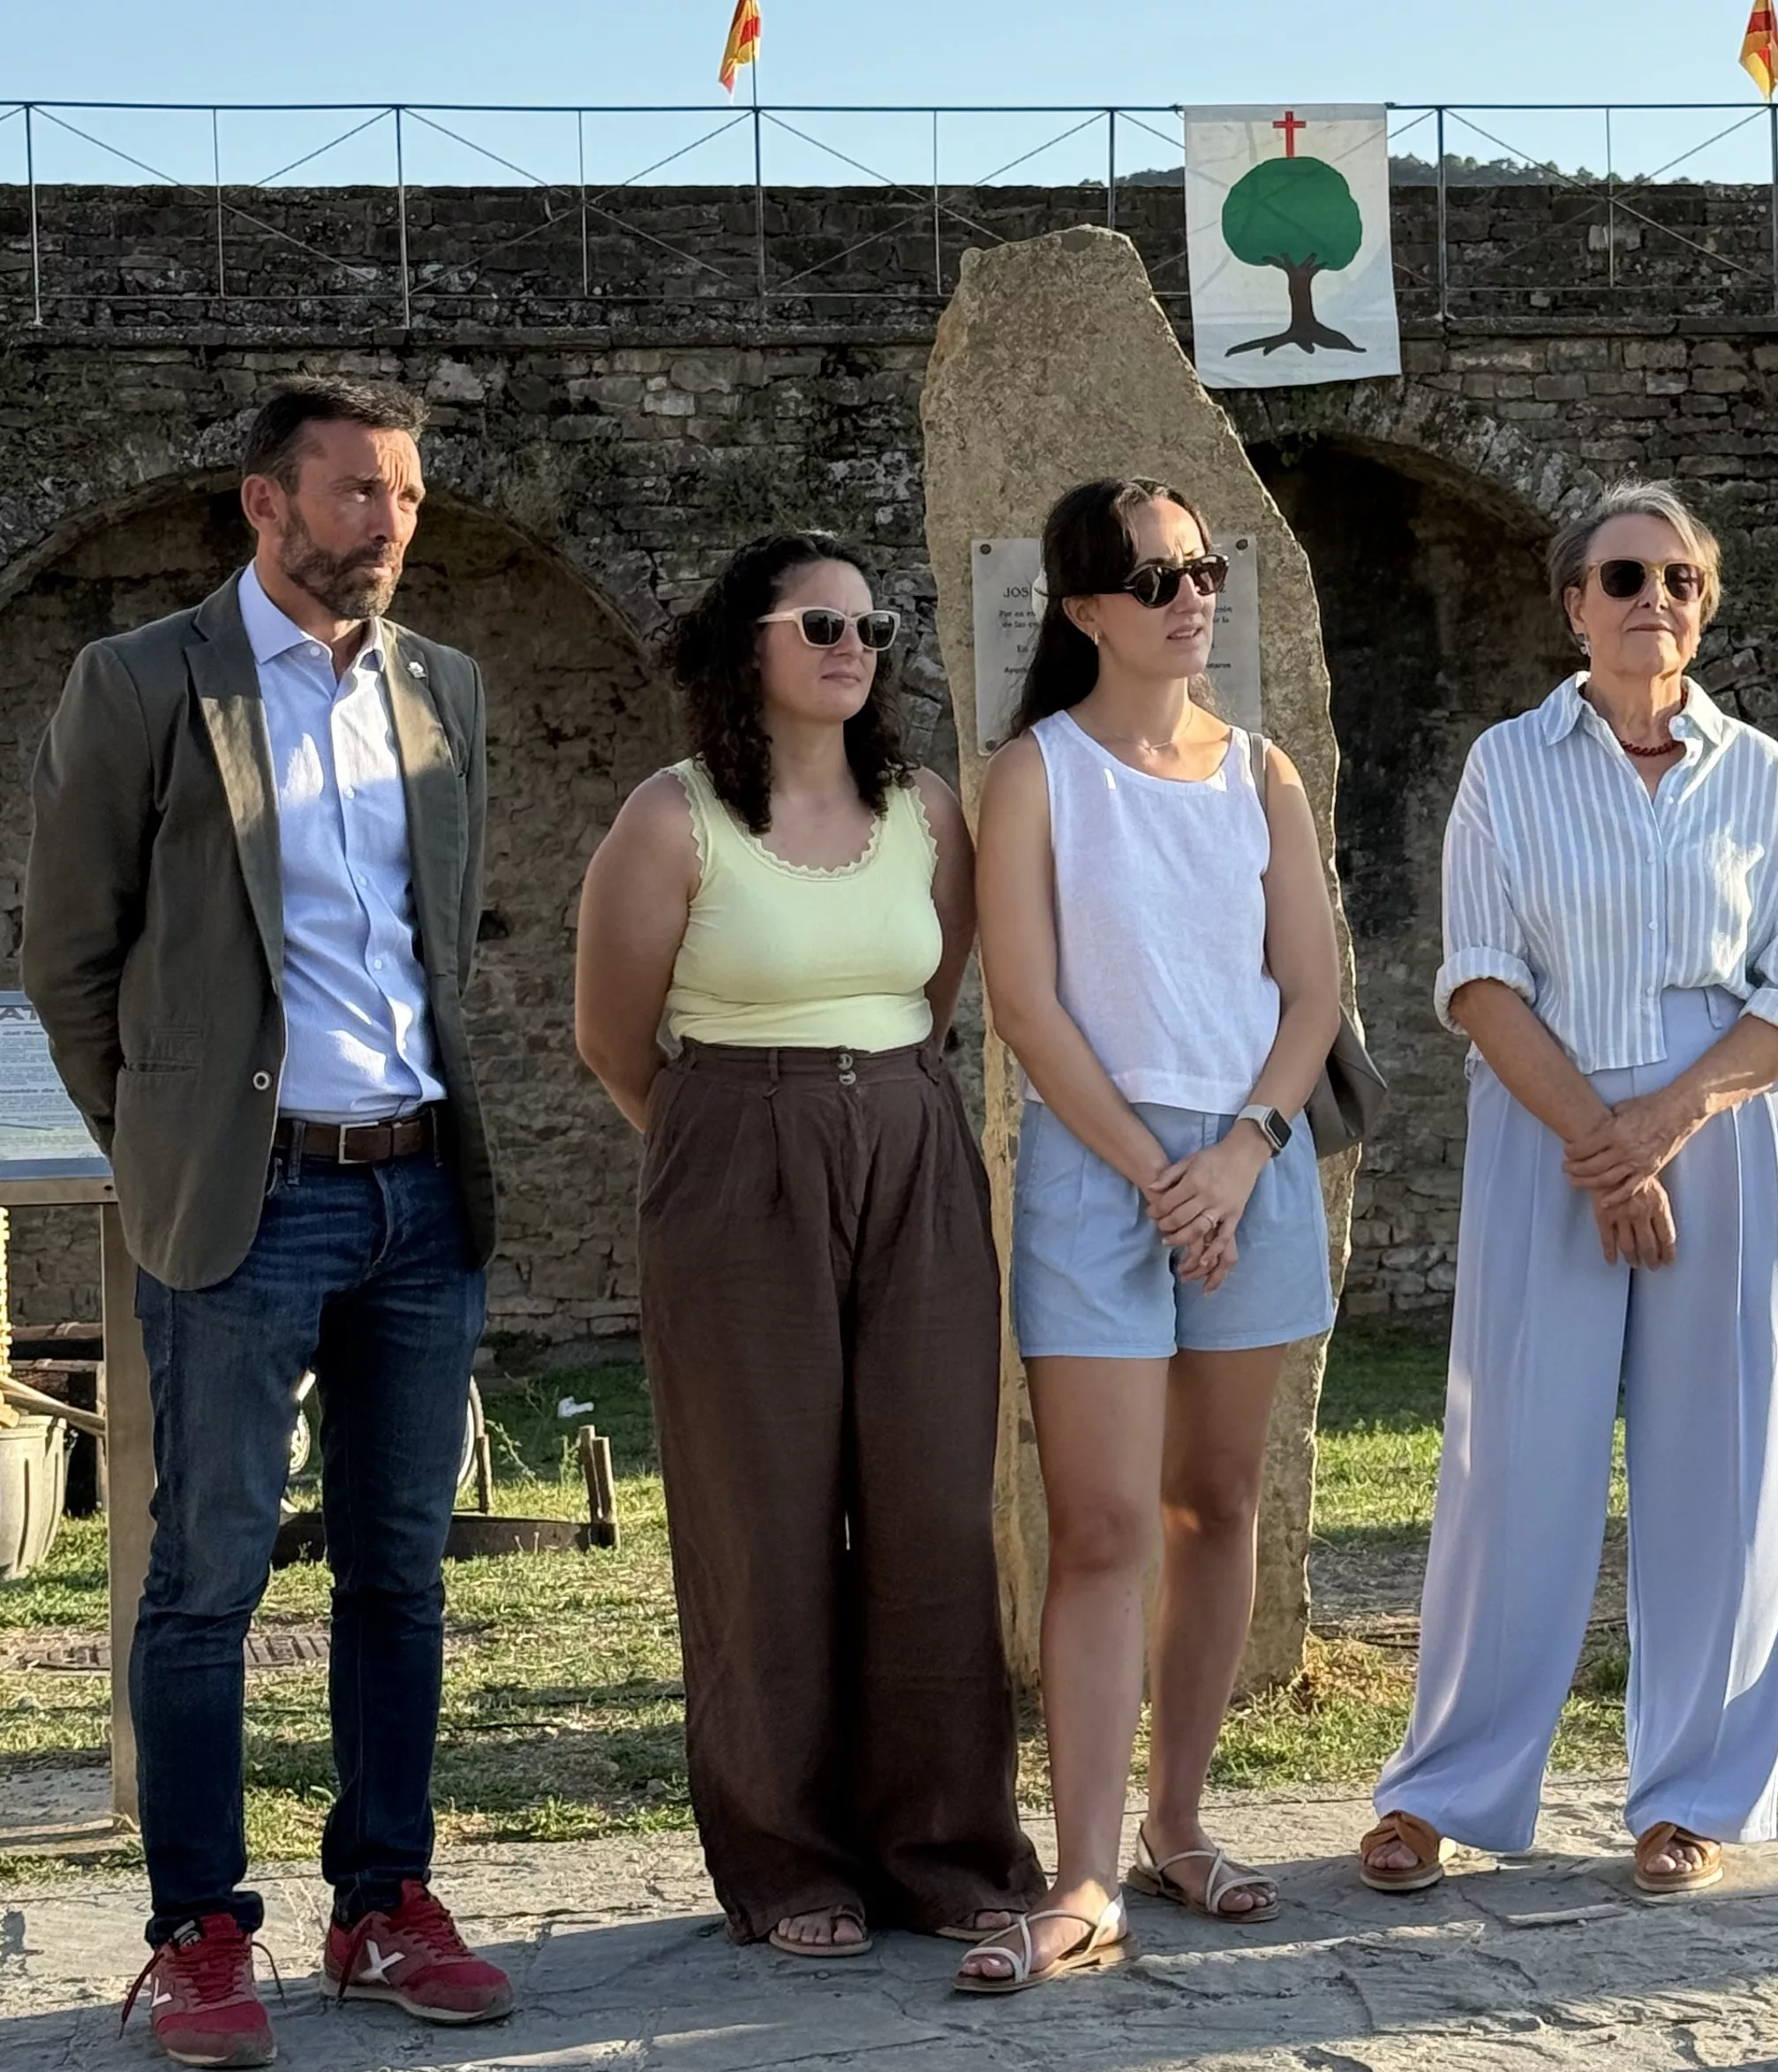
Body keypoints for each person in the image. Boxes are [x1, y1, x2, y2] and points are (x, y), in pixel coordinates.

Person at [23, 377, 514, 2067]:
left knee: (401, 1571)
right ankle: (198, 1933)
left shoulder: (445, 689)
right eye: (357, 493)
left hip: (418, 1190)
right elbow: (68, 955)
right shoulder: (145, 680)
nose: (388, 523)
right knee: (206, 1577)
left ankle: (382, 1898)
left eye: (407, 495)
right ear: (265, 504)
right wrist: (160, 1140)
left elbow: (437, 940)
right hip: (251, 1195)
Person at [1357, 481, 1778, 1902]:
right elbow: (1479, 977)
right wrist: (1601, 1137)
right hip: (1546, 1126)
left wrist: (1664, 1125)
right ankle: (1440, 1787)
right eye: (1625, 577)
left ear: (1706, 605)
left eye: (1681, 580)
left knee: (1727, 1465)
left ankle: (1692, 1794)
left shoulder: (1758, 773)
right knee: (1515, 1459)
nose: (1655, 603)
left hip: (1725, 1134)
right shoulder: (1508, 767)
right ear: (1572, 602)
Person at [573, 532, 1043, 1956]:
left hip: (907, 1139)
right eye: (821, 621)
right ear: (747, 646)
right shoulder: (674, 819)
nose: (855, 644)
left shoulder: (929, 812)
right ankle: (788, 1863)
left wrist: (863, 1116)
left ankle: (946, 1845)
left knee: (931, 1513)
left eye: (873, 623)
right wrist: (737, 1152)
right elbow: (610, 1034)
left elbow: (940, 984)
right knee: (758, 1518)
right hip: (734, 1149)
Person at [956, 477, 1342, 1992]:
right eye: (1157, 575)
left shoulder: (1265, 774)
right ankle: (1088, 1871)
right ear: (1081, 609)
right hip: (1094, 1167)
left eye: (1202, 567)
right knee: (1104, 1523)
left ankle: (1181, 1820)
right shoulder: (1035, 774)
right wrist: (1150, 1170)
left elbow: (1312, 993)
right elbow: (1027, 1003)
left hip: (1253, 1158)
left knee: (1215, 1502)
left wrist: (1240, 1155)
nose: (1193, 595)